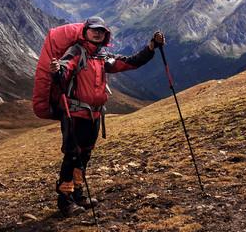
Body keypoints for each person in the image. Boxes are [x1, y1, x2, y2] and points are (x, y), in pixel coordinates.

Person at [48, 16, 164, 217]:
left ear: (105, 34)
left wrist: (151, 47)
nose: (98, 33)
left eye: (101, 30)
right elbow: (65, 70)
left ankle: (78, 194)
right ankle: (65, 201)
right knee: (72, 155)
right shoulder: (76, 51)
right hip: (74, 114)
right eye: (94, 29)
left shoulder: (102, 56)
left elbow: (128, 63)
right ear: (85, 31)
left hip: (93, 115)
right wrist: (58, 70)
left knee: (85, 155)